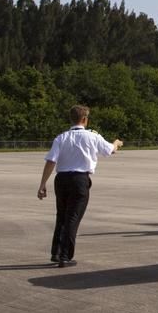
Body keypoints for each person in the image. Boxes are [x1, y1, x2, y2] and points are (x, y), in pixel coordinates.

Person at [37, 105, 122, 267]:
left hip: (61, 180)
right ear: (84, 119)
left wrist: (42, 184)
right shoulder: (92, 137)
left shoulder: (61, 138)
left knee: (61, 216)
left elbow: (51, 161)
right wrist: (116, 143)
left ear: (71, 119)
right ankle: (65, 256)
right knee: (73, 218)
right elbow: (110, 150)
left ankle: (56, 253)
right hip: (79, 180)